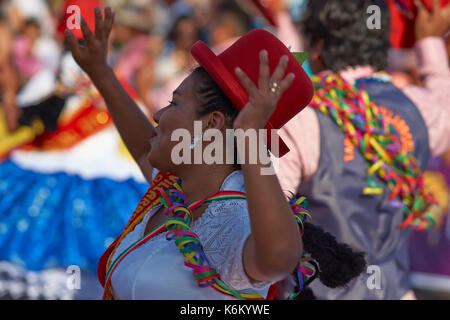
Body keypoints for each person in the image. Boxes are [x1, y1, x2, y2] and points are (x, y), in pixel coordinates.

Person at [66, 7, 365, 300]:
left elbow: (278, 260)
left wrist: (250, 136)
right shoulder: (177, 189)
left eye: (174, 103)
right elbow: (146, 150)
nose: (158, 113)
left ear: (212, 124)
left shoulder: (236, 218)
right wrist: (100, 71)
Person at [276, 0, 450, 300]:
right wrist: (429, 40)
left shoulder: (300, 118)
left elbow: (270, 222)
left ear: (317, 45)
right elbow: (444, 110)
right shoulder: (419, 108)